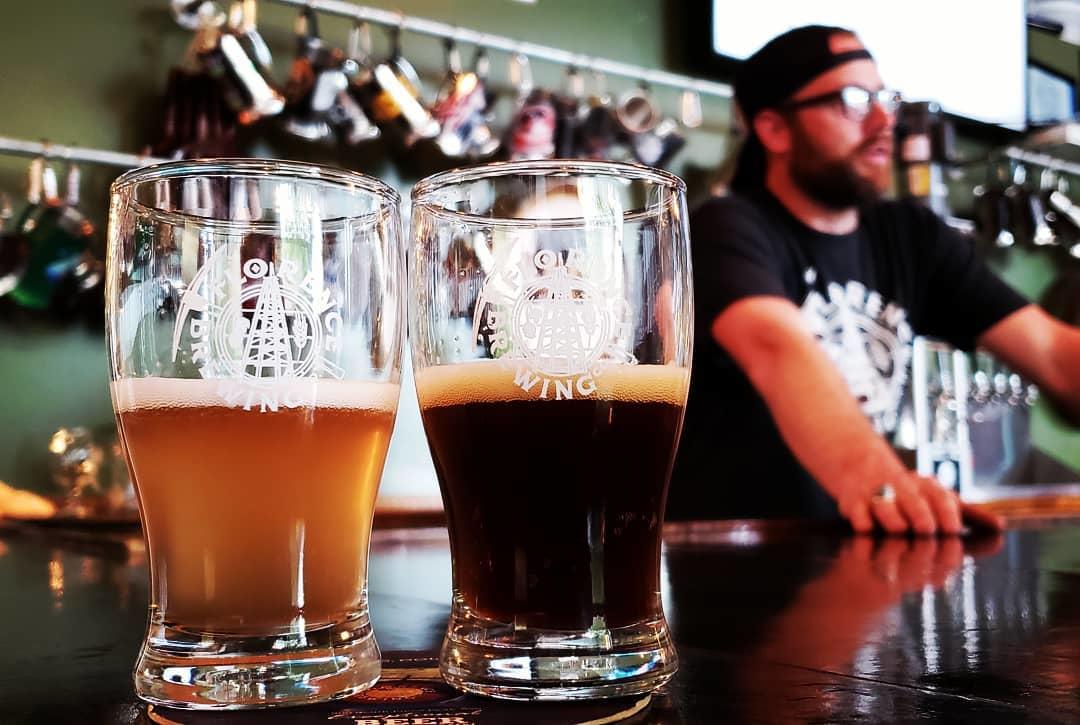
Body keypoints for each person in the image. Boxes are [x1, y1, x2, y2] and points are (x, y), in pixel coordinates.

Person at [669, 25, 1080, 535]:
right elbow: (774, 345)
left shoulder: (910, 236)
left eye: (885, 97)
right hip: (736, 560)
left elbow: (1055, 356)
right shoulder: (726, 228)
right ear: (774, 129)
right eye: (854, 100)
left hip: (853, 556)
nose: (886, 121)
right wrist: (879, 479)